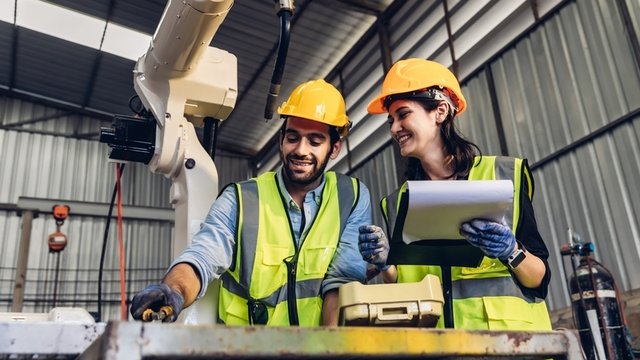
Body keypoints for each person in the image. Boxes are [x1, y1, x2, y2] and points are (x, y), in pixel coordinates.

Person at [130, 79, 371, 326]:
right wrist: (174, 291)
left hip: (315, 348)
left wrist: (332, 349)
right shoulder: (241, 199)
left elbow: (343, 280)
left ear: (334, 148)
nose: (300, 150)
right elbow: (203, 255)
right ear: (280, 140)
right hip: (244, 347)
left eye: (315, 141)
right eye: (292, 137)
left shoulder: (350, 197)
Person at [358, 58, 552, 330]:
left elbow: (539, 279)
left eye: (403, 114)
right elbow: (405, 286)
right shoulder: (397, 201)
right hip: (440, 349)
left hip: (509, 346)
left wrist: (512, 251)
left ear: (440, 111)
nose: (393, 128)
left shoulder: (504, 174)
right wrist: (386, 263)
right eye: (391, 120)